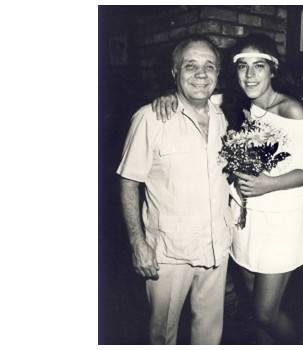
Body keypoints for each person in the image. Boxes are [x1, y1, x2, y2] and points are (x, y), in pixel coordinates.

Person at [151, 33, 303, 345]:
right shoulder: (234, 104)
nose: (250, 75)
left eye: (259, 66)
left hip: (280, 222)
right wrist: (166, 95)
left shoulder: (292, 111)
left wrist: (268, 184)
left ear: (272, 70)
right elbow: (192, 95)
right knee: (253, 306)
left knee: (264, 314)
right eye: (243, 67)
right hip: (243, 221)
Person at [116, 35, 233, 345]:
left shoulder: (227, 117)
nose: (201, 74)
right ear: (174, 73)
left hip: (215, 245)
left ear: (218, 74)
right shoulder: (150, 118)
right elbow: (129, 182)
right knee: (161, 334)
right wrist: (138, 244)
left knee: (210, 333)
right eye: (190, 66)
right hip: (168, 253)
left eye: (209, 66)